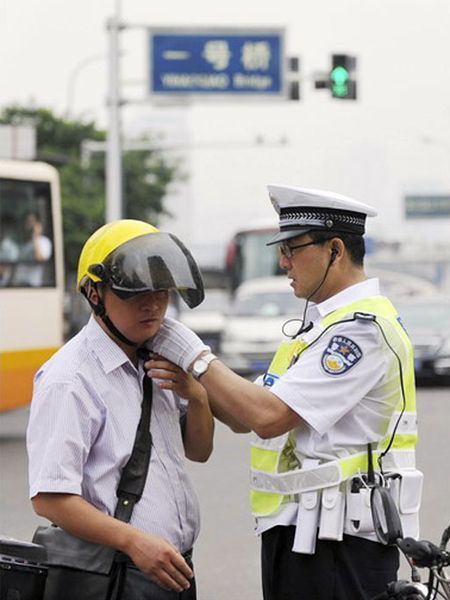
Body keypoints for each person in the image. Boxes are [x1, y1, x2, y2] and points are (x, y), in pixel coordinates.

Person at [146, 185, 423, 600]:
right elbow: (244, 417)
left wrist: (193, 353)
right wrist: (197, 386)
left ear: (335, 250)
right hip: (302, 536)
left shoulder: (361, 330)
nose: (283, 262)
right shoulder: (317, 330)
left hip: (340, 545)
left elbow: (268, 416)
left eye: (293, 248)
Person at [27, 219, 214, 599]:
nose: (154, 304)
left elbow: (198, 450)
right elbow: (49, 497)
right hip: (117, 574)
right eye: (135, 292)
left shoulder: (159, 359)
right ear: (95, 294)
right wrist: (134, 543)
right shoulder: (70, 378)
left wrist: (197, 396)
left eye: (161, 290)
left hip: (171, 569)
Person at [15, 211, 53, 286]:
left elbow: (40, 258)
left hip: (32, 285)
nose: (30, 225)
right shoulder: (23, 244)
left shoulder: (44, 242)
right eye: (28, 222)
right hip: (18, 284)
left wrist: (35, 236)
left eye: (32, 222)